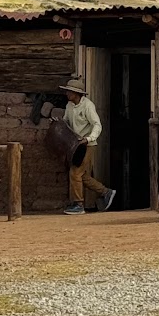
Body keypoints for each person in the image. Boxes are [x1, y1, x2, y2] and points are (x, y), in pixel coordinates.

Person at [61, 77, 116, 214]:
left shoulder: (88, 106)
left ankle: (78, 204)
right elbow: (66, 121)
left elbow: (97, 124)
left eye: (70, 92)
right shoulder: (69, 106)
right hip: (75, 145)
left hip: (87, 145)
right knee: (82, 175)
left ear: (76, 94)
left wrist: (89, 138)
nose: (67, 94)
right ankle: (106, 192)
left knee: (75, 172)